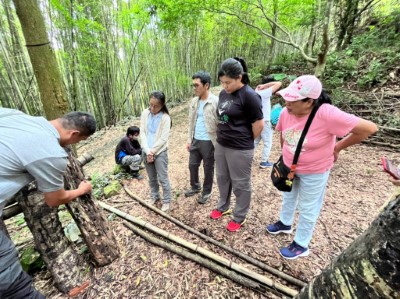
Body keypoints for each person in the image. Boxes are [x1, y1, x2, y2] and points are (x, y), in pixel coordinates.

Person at [265, 75, 377, 259]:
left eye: (293, 99)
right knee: (288, 195)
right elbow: (283, 135)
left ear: (309, 101)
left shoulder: (326, 113)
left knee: (308, 206)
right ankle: (285, 223)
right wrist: (285, 156)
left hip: (315, 170)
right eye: (287, 98)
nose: (287, 102)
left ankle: (301, 243)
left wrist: (337, 147)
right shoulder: (287, 112)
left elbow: (369, 128)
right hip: (289, 167)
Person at [0, 108, 96, 298]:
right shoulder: (51, 153)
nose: (75, 144)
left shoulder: (14, 116)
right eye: (79, 141)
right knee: (11, 281)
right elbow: (54, 199)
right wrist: (81, 190)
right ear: (74, 134)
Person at [210, 57, 264, 232]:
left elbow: (259, 125)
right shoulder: (223, 94)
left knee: (240, 182)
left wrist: (246, 140)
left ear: (239, 77)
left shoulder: (250, 96)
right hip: (222, 143)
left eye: (228, 82)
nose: (225, 86)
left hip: (240, 147)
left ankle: (240, 215)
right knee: (222, 177)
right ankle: (223, 205)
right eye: (222, 82)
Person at [184, 71, 219, 204]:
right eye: (193, 85)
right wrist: (189, 139)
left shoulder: (215, 101)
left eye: (197, 85)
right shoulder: (194, 102)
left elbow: (220, 122)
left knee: (208, 167)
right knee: (192, 165)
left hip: (209, 141)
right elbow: (190, 122)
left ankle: (207, 191)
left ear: (206, 85)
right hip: (195, 139)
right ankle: (195, 186)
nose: (194, 88)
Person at [140, 91, 172, 212]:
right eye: (151, 105)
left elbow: (164, 139)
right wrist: (147, 150)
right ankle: (155, 195)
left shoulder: (165, 118)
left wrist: (152, 152)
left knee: (163, 177)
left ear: (162, 105)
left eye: (156, 106)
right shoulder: (145, 113)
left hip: (159, 152)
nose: (152, 108)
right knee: (151, 177)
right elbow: (142, 132)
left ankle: (167, 200)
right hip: (146, 149)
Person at [254, 79, 282, 168]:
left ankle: (247, 157)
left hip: (257, 120)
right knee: (268, 142)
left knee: (256, 140)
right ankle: (264, 161)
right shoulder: (264, 93)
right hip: (265, 121)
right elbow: (279, 83)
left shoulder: (256, 92)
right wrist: (266, 85)